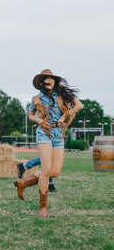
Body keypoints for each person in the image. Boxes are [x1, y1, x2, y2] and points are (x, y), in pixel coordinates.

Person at [14, 69, 83, 218]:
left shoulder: (62, 95)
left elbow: (79, 105)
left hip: (58, 135)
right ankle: (42, 207)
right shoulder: (36, 99)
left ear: (54, 81)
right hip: (43, 134)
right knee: (46, 170)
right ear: (41, 83)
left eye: (51, 78)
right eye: (46, 79)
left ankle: (23, 183)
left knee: (55, 172)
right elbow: (31, 115)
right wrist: (39, 120)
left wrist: (66, 114)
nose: (49, 81)